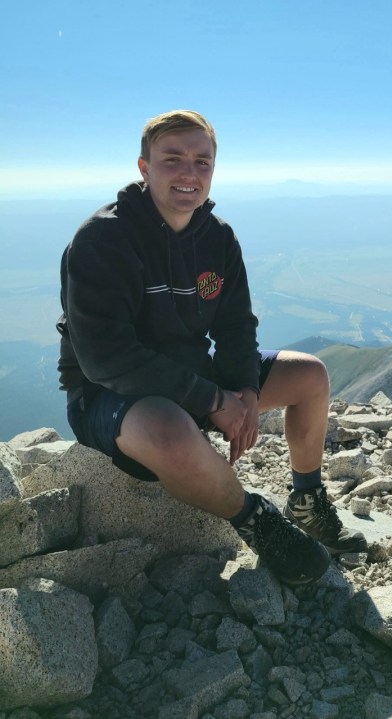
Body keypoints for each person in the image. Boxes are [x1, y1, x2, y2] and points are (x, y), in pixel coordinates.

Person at [57, 109, 366, 586]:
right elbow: (106, 359)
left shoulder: (217, 238)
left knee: (310, 375)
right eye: (173, 159)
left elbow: (237, 325)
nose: (189, 173)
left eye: (202, 162)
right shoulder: (102, 241)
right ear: (144, 168)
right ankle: (256, 520)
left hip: (195, 376)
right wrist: (213, 401)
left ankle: (306, 499)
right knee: (169, 429)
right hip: (110, 395)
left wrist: (242, 390)